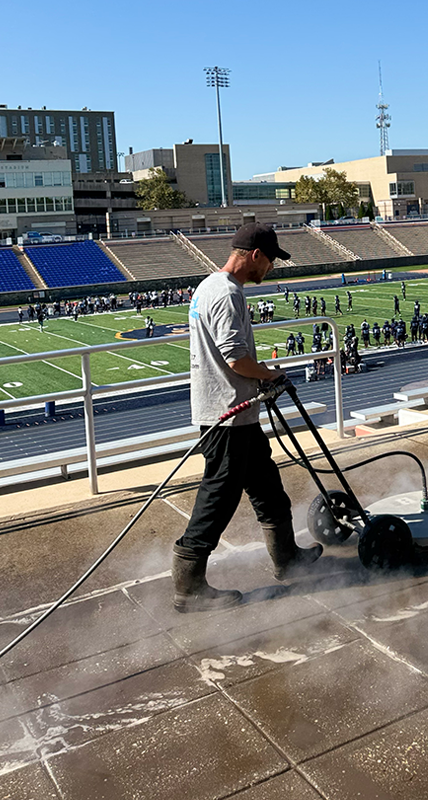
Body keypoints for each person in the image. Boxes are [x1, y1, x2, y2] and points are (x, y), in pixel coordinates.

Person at [174, 223, 321, 613]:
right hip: (227, 415)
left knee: (268, 489)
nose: (271, 267)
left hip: (236, 412)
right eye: (270, 260)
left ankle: (287, 558)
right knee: (219, 496)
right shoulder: (227, 293)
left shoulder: (209, 286)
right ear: (255, 255)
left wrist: (260, 375)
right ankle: (188, 587)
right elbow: (235, 358)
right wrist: (271, 374)